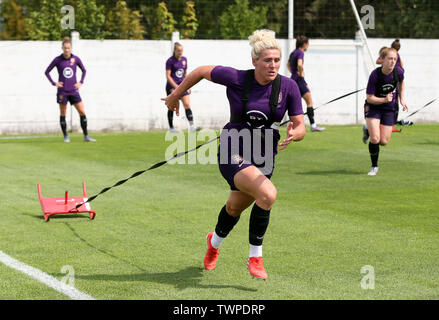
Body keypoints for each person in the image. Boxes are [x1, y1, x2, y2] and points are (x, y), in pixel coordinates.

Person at [162, 30, 305, 279]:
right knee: (268, 194)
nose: (273, 66)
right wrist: (176, 95)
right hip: (233, 149)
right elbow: (200, 72)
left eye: (276, 60)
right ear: (255, 62)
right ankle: (255, 257)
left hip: (264, 156)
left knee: (234, 208)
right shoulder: (237, 78)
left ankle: (213, 245)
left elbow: (299, 124)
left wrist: (296, 133)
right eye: (267, 61)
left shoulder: (289, 87)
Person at [363, 47, 408, 176]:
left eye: (394, 59)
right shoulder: (375, 75)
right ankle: (374, 167)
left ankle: (367, 129)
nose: (392, 61)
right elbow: (369, 98)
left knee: (384, 141)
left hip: (389, 108)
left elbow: (401, 82)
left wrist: (402, 99)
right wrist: (384, 99)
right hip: (374, 106)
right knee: (375, 138)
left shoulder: (398, 72)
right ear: (382, 60)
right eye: (389, 59)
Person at [45, 37, 95, 143]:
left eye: (68, 48)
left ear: (71, 48)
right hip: (62, 91)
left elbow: (84, 70)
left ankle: (86, 136)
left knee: (82, 111)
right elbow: (47, 72)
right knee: (63, 113)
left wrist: (81, 82)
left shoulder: (75, 59)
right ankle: (66, 136)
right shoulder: (57, 60)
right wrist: (54, 83)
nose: (67, 50)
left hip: (73, 91)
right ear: (62, 48)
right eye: (65, 48)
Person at [287, 35, 325, 132]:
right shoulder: (300, 52)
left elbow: (288, 64)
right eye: (307, 44)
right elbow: (299, 64)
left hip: (293, 80)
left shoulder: (293, 53)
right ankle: (313, 125)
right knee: (309, 102)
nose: (308, 46)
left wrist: (293, 72)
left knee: (291, 104)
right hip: (299, 80)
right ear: (304, 44)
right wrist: (300, 73)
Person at [165, 42, 198, 133]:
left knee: (187, 104)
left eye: (181, 51)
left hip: (183, 85)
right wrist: (176, 87)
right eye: (178, 50)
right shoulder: (170, 61)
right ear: (174, 50)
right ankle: (171, 128)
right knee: (172, 106)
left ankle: (192, 127)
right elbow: (168, 76)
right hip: (172, 86)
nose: (180, 52)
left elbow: (185, 74)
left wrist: (188, 85)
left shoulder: (184, 60)